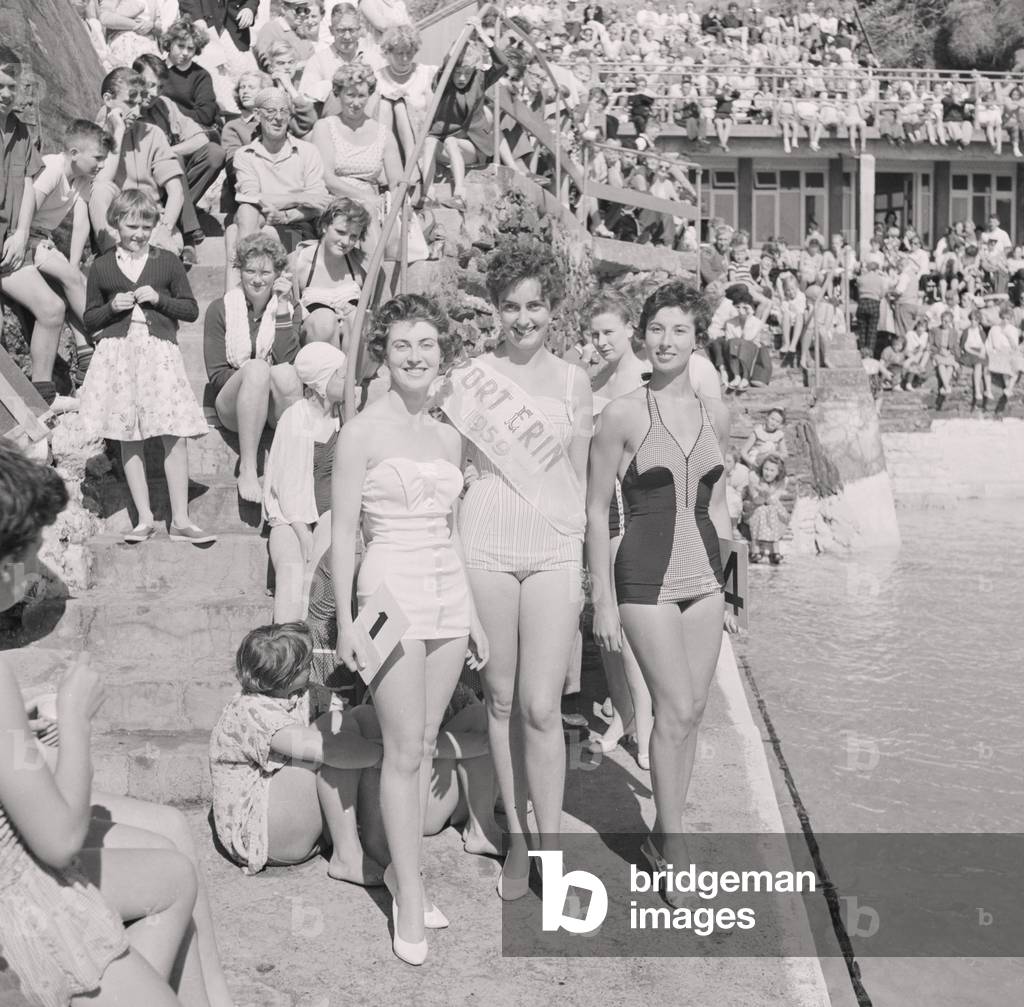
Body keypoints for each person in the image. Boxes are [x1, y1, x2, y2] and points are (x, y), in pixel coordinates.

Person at [0, 440, 216, 1006]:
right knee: (168, 878)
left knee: (171, 862)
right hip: (16, 901)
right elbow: (59, 840)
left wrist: (18, 725)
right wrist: (73, 718)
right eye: (31, 550)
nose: (39, 565)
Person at [332, 294, 488, 965]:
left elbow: (454, 528)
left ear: (441, 354)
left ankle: (403, 872)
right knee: (401, 748)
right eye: (402, 345)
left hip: (448, 592)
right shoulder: (361, 432)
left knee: (425, 742)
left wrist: (475, 613)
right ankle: (410, 890)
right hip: (387, 589)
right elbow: (342, 533)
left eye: (426, 344)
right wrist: (343, 618)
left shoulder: (450, 433)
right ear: (383, 355)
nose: (416, 356)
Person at [438, 236, 592, 901]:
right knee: (500, 697)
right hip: (488, 543)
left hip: (555, 547)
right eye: (511, 306)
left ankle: (551, 846)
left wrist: (587, 571)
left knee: (541, 703)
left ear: (551, 306)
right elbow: (449, 466)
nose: (524, 318)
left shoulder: (573, 382)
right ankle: (518, 840)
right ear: (495, 310)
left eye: (535, 305)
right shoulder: (472, 379)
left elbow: (582, 483)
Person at [586, 280, 735, 906]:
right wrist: (599, 598)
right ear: (642, 337)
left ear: (696, 338)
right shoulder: (621, 413)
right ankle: (675, 850)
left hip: (705, 580)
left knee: (692, 710)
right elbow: (596, 511)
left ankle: (661, 835)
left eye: (679, 329)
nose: (667, 340)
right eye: (657, 328)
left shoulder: (713, 411)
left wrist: (733, 592)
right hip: (643, 578)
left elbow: (720, 503)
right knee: (673, 708)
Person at [80, 189, 214, 545]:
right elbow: (89, 318)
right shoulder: (103, 265)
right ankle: (143, 519)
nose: (137, 233)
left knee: (173, 432)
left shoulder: (167, 261)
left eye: (145, 226)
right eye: (130, 225)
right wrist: (113, 308)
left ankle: (181, 519)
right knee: (129, 434)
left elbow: (191, 310)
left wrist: (160, 299)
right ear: (115, 223)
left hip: (159, 354)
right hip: (120, 356)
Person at [209, 621, 385, 883]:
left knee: (362, 717)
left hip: (295, 819)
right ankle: (347, 856)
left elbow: (351, 722)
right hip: (264, 832)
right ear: (283, 677)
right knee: (333, 739)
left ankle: (375, 840)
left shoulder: (304, 693)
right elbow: (329, 749)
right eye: (304, 665)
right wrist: (386, 756)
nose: (310, 667)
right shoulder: (249, 710)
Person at [584, 292, 652, 770]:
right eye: (594, 334)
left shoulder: (643, 378)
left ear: (631, 329)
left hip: (627, 508)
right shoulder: (595, 377)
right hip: (594, 503)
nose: (601, 341)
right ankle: (623, 713)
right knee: (603, 623)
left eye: (609, 331)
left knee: (626, 625)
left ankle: (644, 724)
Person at [2, 102, 103, 402]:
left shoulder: (81, 180)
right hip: (28, 237)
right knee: (66, 284)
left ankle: (81, 357)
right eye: (97, 157)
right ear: (74, 153)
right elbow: (28, 201)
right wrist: (25, 237)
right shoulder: (51, 167)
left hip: (35, 238)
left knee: (70, 283)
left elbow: (82, 222)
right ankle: (105, 338)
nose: (101, 164)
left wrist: (72, 261)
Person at [204, 232, 303, 503]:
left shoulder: (290, 307)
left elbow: (286, 359)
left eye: (265, 272)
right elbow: (216, 375)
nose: (257, 279)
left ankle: (289, 463)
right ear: (240, 271)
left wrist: (282, 306)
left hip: (273, 404)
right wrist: (253, 376)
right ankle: (248, 467)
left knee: (284, 373)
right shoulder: (220, 309)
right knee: (258, 369)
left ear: (278, 274)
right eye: (250, 271)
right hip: (233, 405)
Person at [356, 681, 502, 860]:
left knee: (481, 716)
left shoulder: (458, 690)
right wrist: (479, 745)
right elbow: (395, 748)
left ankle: (482, 826)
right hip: (415, 807)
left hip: (448, 798)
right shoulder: (389, 687)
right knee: (369, 719)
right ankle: (482, 828)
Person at [263, 342, 346, 621]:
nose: (349, 381)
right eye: (341, 375)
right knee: (290, 568)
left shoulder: (344, 419)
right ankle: (286, 649)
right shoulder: (294, 418)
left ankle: (316, 646)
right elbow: (285, 485)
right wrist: (302, 532)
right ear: (322, 382)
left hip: (330, 515)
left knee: (318, 571)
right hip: (290, 517)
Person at [90, 68, 188, 255]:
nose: (136, 112)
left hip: (152, 225)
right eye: (129, 103)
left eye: (139, 103)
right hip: (117, 228)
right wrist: (117, 132)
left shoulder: (153, 134)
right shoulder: (94, 136)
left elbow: (176, 192)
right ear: (108, 99)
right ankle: (114, 259)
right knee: (101, 189)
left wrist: (165, 230)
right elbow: (101, 184)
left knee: (164, 253)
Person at [233, 87, 331, 242]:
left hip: (297, 225)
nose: (278, 117)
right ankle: (247, 261)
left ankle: (246, 263)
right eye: (271, 111)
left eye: (284, 111)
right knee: (245, 210)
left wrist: (285, 216)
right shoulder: (244, 155)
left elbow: (318, 202)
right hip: (259, 218)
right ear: (258, 115)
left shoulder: (308, 151)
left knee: (234, 234)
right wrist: (299, 197)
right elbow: (250, 197)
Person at [289, 197, 369, 350]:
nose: (346, 242)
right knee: (324, 320)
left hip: (352, 353)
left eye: (354, 236)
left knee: (359, 318)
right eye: (340, 232)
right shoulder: (299, 263)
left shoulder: (359, 264)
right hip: (317, 348)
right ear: (325, 226)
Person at [159, 16, 220, 134]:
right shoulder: (155, 69)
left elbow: (205, 116)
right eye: (180, 46)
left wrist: (168, 108)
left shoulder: (201, 76)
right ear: (170, 43)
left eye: (191, 48)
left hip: (190, 131)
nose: (185, 53)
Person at [743, 453, 788, 563]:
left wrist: (766, 494)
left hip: (772, 509)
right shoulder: (754, 478)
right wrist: (764, 494)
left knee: (771, 510)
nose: (768, 473)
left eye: (772, 470)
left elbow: (773, 501)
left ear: (778, 472)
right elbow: (756, 501)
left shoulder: (781, 482)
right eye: (766, 469)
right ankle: (755, 549)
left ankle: (775, 550)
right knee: (761, 510)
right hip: (753, 508)